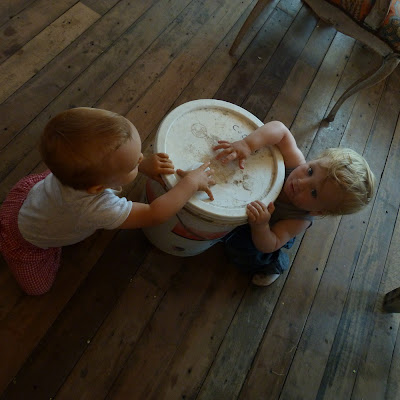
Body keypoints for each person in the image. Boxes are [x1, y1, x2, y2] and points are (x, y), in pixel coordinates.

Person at [0, 107, 215, 295]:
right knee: (38, 288)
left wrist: (139, 165)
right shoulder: (97, 208)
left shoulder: (74, 174)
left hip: (35, 199)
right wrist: (190, 184)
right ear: (97, 189)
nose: (142, 158)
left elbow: (113, 165)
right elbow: (154, 214)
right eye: (134, 164)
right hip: (27, 241)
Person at [213, 121, 375, 287]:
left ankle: (274, 266)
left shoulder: (298, 220)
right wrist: (248, 144)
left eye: (314, 193)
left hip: (272, 228)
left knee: (241, 249)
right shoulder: (295, 164)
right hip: (254, 209)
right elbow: (280, 130)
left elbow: (271, 244)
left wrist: (260, 227)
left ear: (318, 212)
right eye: (310, 171)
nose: (301, 182)